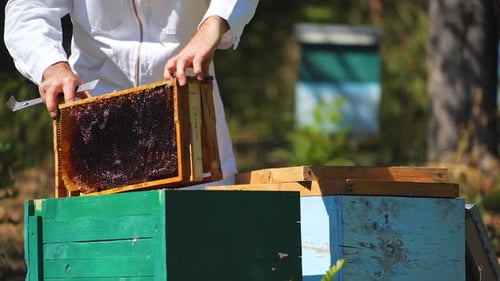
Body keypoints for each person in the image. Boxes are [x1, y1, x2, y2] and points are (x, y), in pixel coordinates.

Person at [4, 0, 259, 186]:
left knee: (201, 238)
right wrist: (52, 66)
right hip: (95, 119)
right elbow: (29, 9)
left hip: (189, 116)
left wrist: (213, 24)